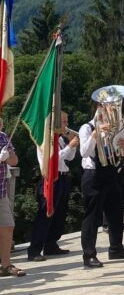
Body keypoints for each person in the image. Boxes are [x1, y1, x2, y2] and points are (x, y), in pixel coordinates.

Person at [79, 105, 124, 268]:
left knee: (115, 213)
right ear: (99, 108)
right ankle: (89, 254)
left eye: (114, 109)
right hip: (94, 175)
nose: (113, 112)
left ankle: (116, 249)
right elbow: (84, 152)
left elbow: (123, 152)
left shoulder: (117, 128)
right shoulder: (87, 127)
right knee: (92, 216)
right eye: (110, 108)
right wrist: (96, 133)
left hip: (112, 172)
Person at [27, 112, 79, 261]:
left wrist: (72, 146)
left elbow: (69, 157)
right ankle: (35, 250)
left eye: (66, 121)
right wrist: (70, 146)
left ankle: (51, 244)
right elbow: (52, 159)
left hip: (62, 177)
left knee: (60, 213)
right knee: (45, 214)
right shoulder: (45, 139)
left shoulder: (59, 139)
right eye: (63, 122)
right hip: (51, 178)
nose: (65, 125)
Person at [0, 120, 23, 277]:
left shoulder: (3, 137)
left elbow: (15, 160)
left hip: (1, 192)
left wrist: (8, 157)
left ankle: (6, 265)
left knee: (7, 227)